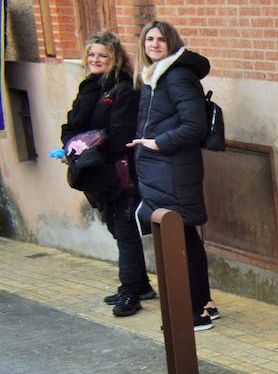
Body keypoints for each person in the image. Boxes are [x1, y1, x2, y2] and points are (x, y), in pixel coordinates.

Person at [127, 20, 215, 331]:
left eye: (161, 40)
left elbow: (195, 126)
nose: (154, 44)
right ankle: (203, 304)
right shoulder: (156, 74)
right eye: (149, 39)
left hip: (173, 170)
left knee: (179, 238)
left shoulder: (175, 76)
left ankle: (194, 313)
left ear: (171, 43)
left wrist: (157, 142)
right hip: (164, 170)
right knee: (186, 236)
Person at [60, 30, 152, 316]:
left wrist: (85, 147)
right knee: (116, 228)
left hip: (118, 172)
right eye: (91, 54)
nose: (96, 59)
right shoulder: (88, 87)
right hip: (93, 171)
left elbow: (119, 135)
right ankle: (141, 284)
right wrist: (73, 147)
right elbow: (70, 128)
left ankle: (130, 292)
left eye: (103, 55)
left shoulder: (123, 88)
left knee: (124, 229)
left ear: (115, 58)